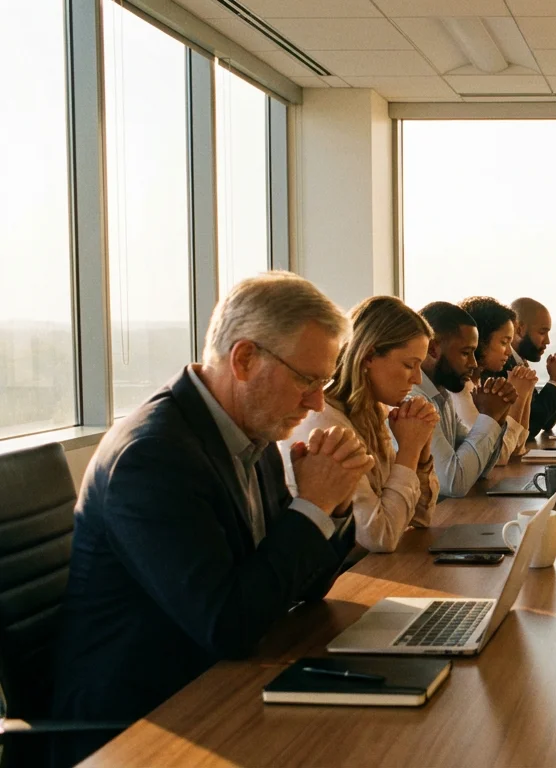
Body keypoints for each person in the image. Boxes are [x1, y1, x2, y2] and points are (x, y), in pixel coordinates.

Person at [51, 273, 369, 764]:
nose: (316, 403)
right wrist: (312, 508)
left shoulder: (247, 430)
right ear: (244, 359)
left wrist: (334, 503)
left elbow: (295, 588)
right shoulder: (153, 457)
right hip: (143, 726)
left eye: (323, 383)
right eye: (307, 379)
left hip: (218, 685)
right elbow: (228, 624)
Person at [281, 296, 439, 553]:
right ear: (368, 357)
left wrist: (421, 453)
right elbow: (380, 537)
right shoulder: (323, 423)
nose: (418, 378)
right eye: (409, 364)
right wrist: (409, 450)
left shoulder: (375, 412)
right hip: (339, 581)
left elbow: (420, 518)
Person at [414, 301, 517, 498]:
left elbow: (481, 469)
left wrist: (499, 417)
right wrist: (490, 418)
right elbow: (454, 482)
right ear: (433, 349)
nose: (474, 363)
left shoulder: (442, 396)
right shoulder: (415, 399)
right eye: (465, 353)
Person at [459, 296, 538, 463]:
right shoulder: (460, 389)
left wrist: (527, 390)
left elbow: (518, 446)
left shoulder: (478, 382)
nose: (509, 352)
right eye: (504, 342)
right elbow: (499, 457)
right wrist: (519, 395)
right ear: (480, 340)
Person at [506, 297, 556, 436]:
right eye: (542, 332)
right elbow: (530, 427)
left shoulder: (519, 362)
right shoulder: (504, 365)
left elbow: (546, 422)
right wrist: (555, 381)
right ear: (519, 329)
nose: (548, 341)